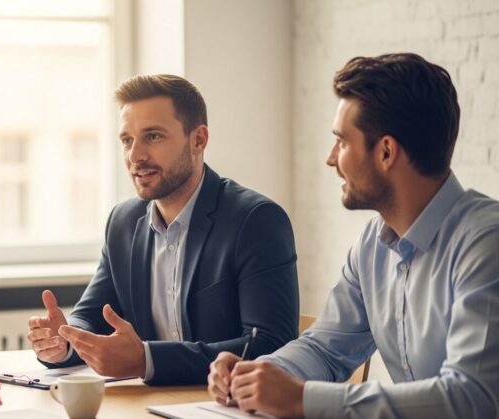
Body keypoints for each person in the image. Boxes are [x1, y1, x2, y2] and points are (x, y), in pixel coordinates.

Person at [208, 53, 499, 418]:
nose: (331, 159)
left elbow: (472, 398)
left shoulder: (486, 244)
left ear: (386, 152)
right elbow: (325, 349)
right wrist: (257, 376)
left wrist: (301, 400)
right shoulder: (372, 245)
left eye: (342, 142)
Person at [27, 74, 299, 385]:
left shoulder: (256, 220)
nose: (135, 156)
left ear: (198, 140)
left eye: (153, 136)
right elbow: (91, 317)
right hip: (153, 406)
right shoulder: (123, 222)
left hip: (227, 408)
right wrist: (63, 341)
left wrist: (147, 360)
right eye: (127, 140)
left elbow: (270, 346)